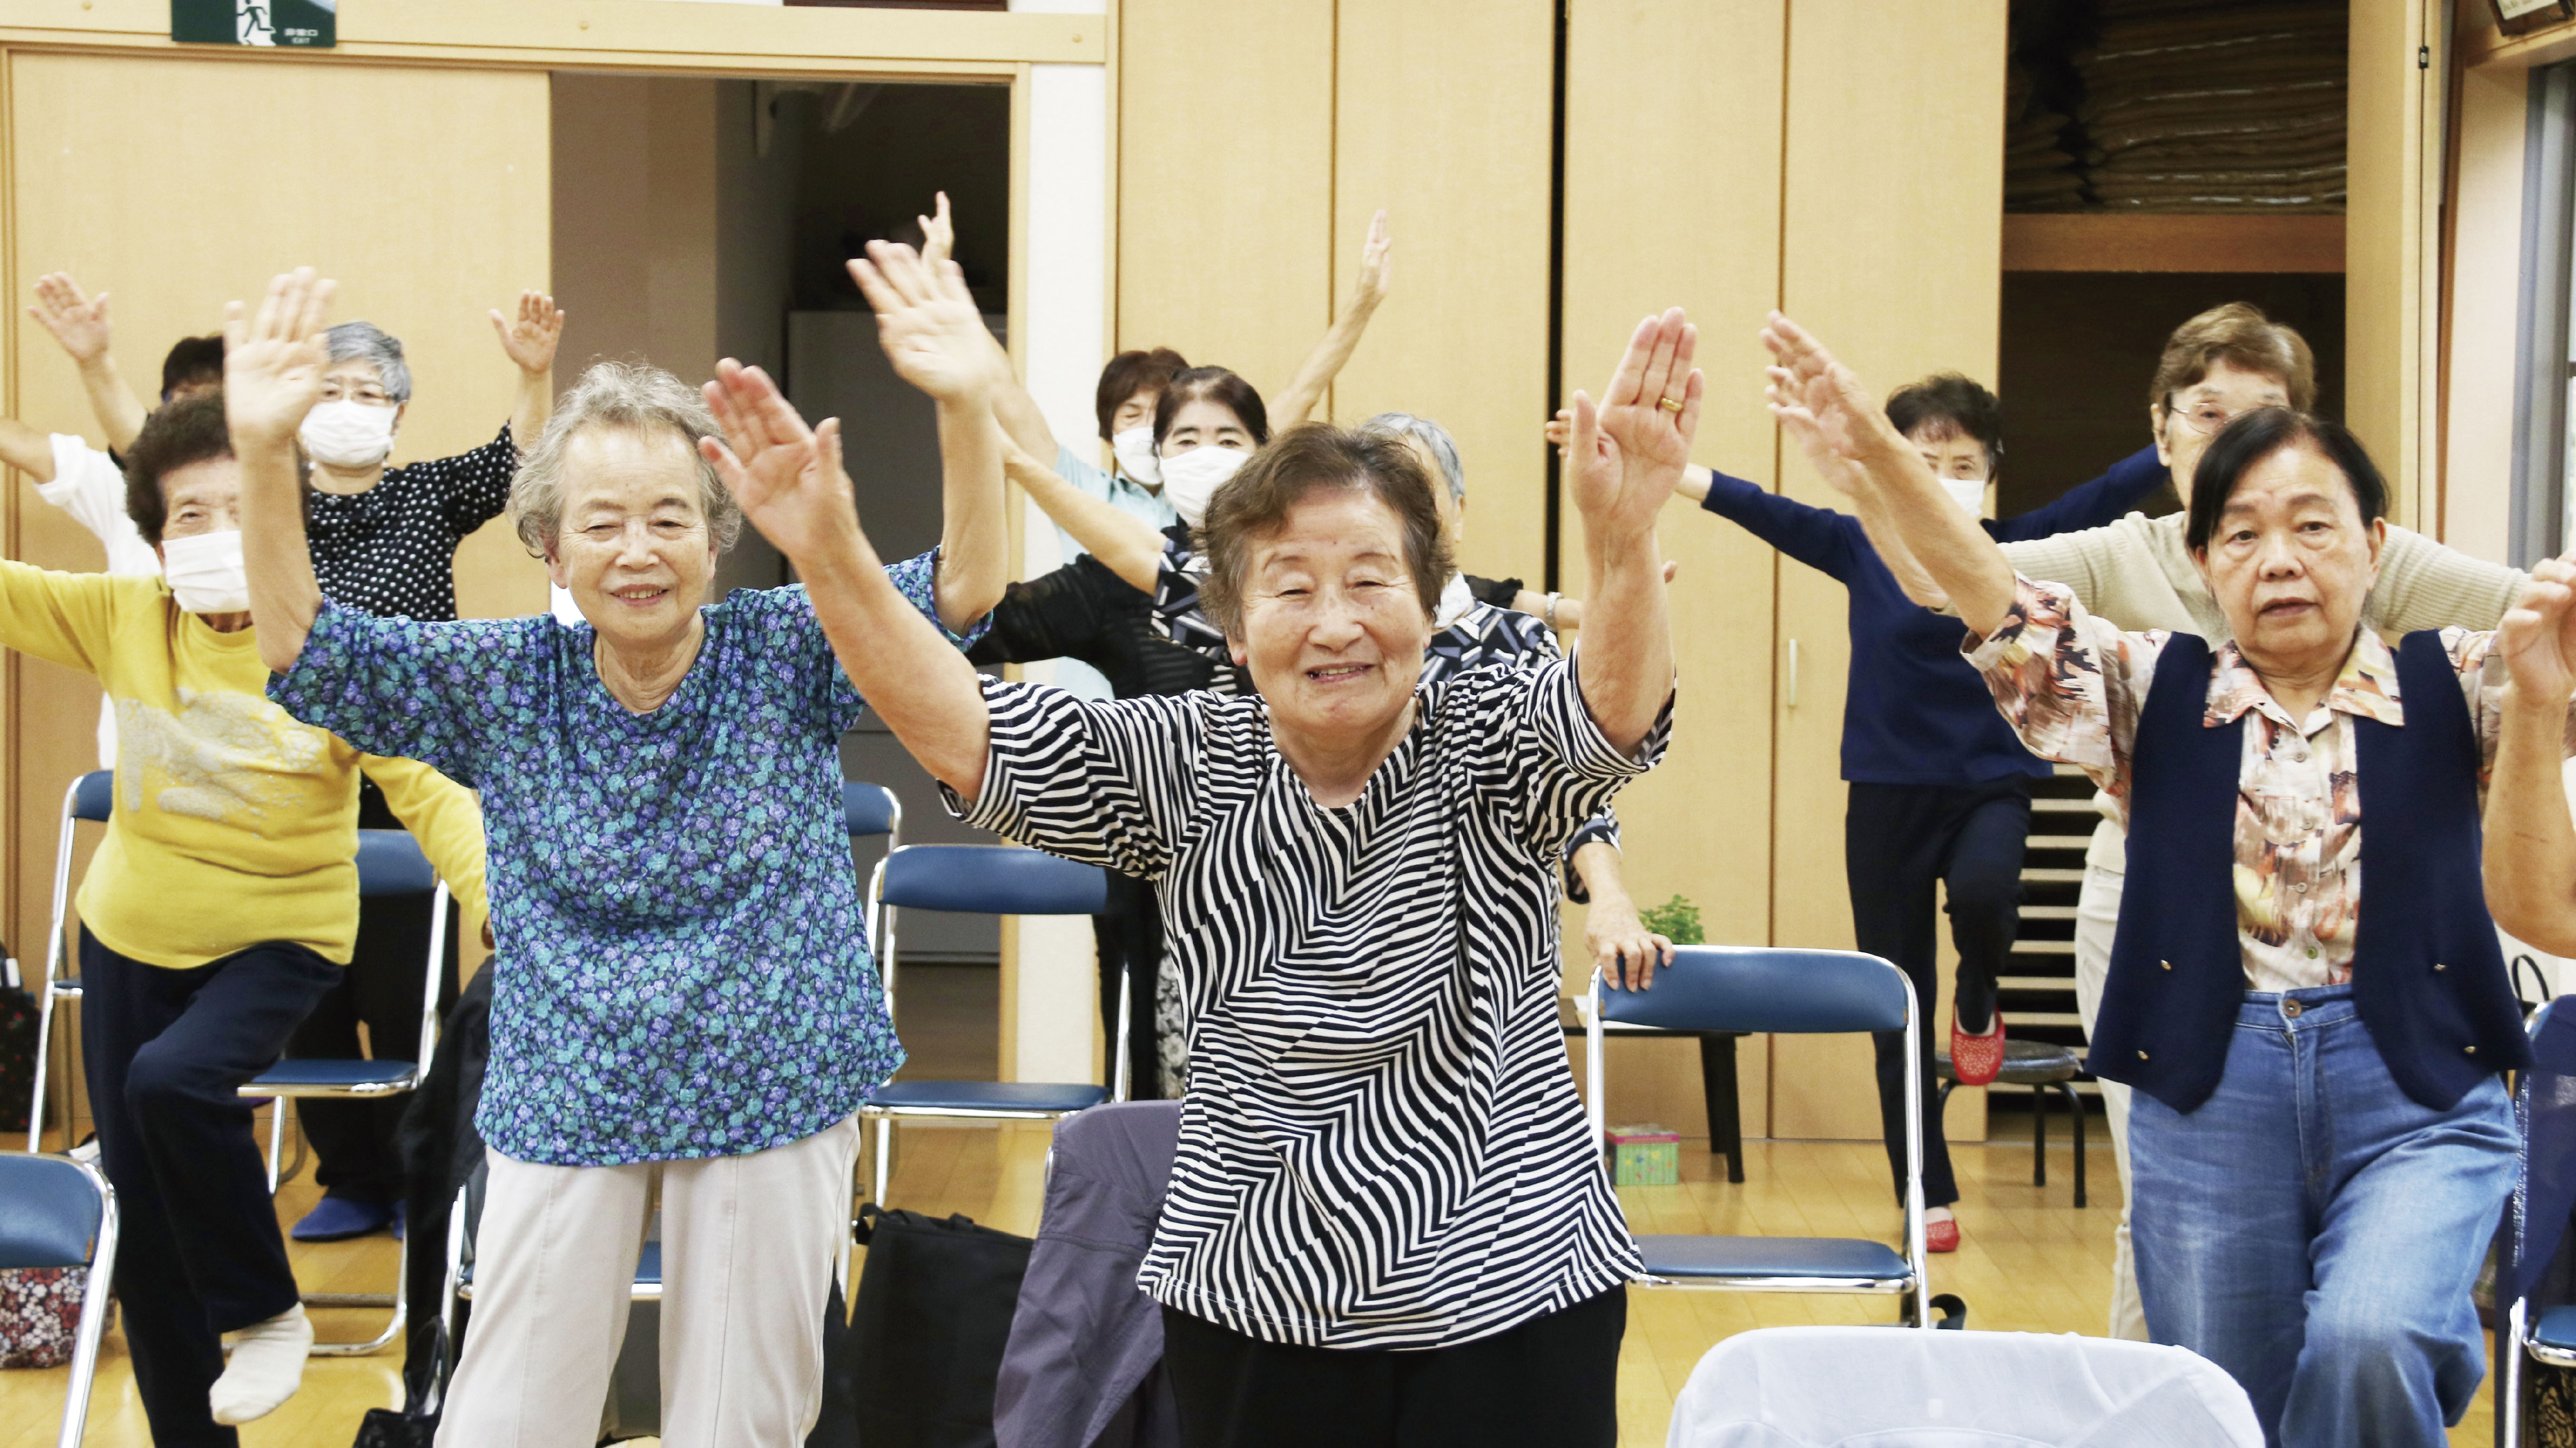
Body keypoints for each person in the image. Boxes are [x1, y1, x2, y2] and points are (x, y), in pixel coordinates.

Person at [707, 303, 1695, 1446]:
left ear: (1430, 607)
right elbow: (962, 729)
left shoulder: (1486, 732)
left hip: (1511, 1293)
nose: (1334, 622)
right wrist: (829, 553)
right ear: (1231, 628)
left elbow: (1609, 714)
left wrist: (1624, 545)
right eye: (1290, 586)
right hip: (1254, 1297)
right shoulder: (1188, 755)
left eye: (1371, 579)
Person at [233, 254, 1006, 1445]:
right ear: (551, 549)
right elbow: (305, 647)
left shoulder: (788, 643)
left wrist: (964, 401)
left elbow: (964, 584)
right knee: (505, 1419)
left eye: (669, 518)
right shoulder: (503, 679)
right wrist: (261, 457)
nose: (638, 549)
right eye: (602, 521)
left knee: (739, 1421)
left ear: (717, 537)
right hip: (567, 1084)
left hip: (770, 1073)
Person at [1769, 313, 2538, 1447]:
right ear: (2200, 562)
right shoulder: (2141, 687)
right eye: (2241, 536)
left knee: (2372, 1337)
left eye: (2312, 528)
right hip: (2208, 1077)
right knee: (2222, 1394)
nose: (2278, 559)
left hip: (2416, 1080)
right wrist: (1881, 460)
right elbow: (1985, 589)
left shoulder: (2463, 681)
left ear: (2376, 544)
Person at [0, 386, 491, 1443]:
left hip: (283, 935)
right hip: (132, 933)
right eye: (188, 513)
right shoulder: (123, 615)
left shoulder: (335, 647)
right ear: (155, 538)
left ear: (283, 518)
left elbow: (431, 789)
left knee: (172, 1079)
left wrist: (505, 900)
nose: (215, 532)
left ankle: (269, 1309)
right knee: (143, 1208)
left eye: (239, 507)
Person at [1652, 372, 2167, 1254]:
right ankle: (1924, 1181)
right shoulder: (1859, 545)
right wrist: (1671, 470)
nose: (1943, 474)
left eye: (1962, 461)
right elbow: (1759, 506)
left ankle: (1979, 995)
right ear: (1890, 466)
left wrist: (2184, 434)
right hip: (1887, 794)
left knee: (1984, 899)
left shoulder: (2020, 546)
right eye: (1923, 459)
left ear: (1991, 471)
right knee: (1894, 997)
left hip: (1991, 783)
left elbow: (2114, 492)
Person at [3, 272, 225, 764]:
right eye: (183, 402)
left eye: (216, 405)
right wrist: (95, 364)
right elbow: (26, 443)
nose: (197, 426)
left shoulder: (283, 492)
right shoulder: (122, 485)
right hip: (139, 771)